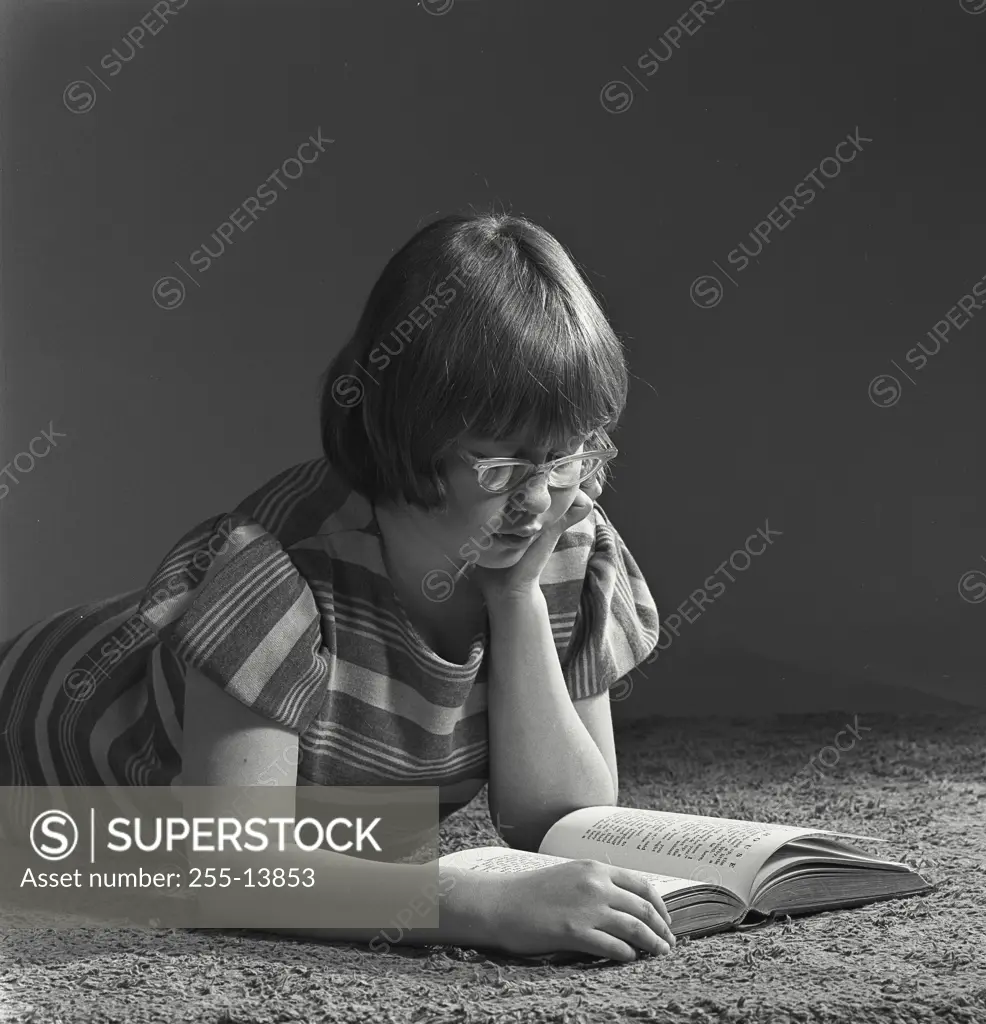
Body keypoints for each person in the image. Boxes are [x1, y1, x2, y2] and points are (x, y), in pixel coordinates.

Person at [0, 210, 672, 962]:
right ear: (404, 432)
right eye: (499, 466)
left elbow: (561, 815)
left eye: (564, 457)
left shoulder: (562, 536)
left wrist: (513, 599)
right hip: (35, 731)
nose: (539, 499)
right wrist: (476, 905)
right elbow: (231, 869)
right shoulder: (270, 572)